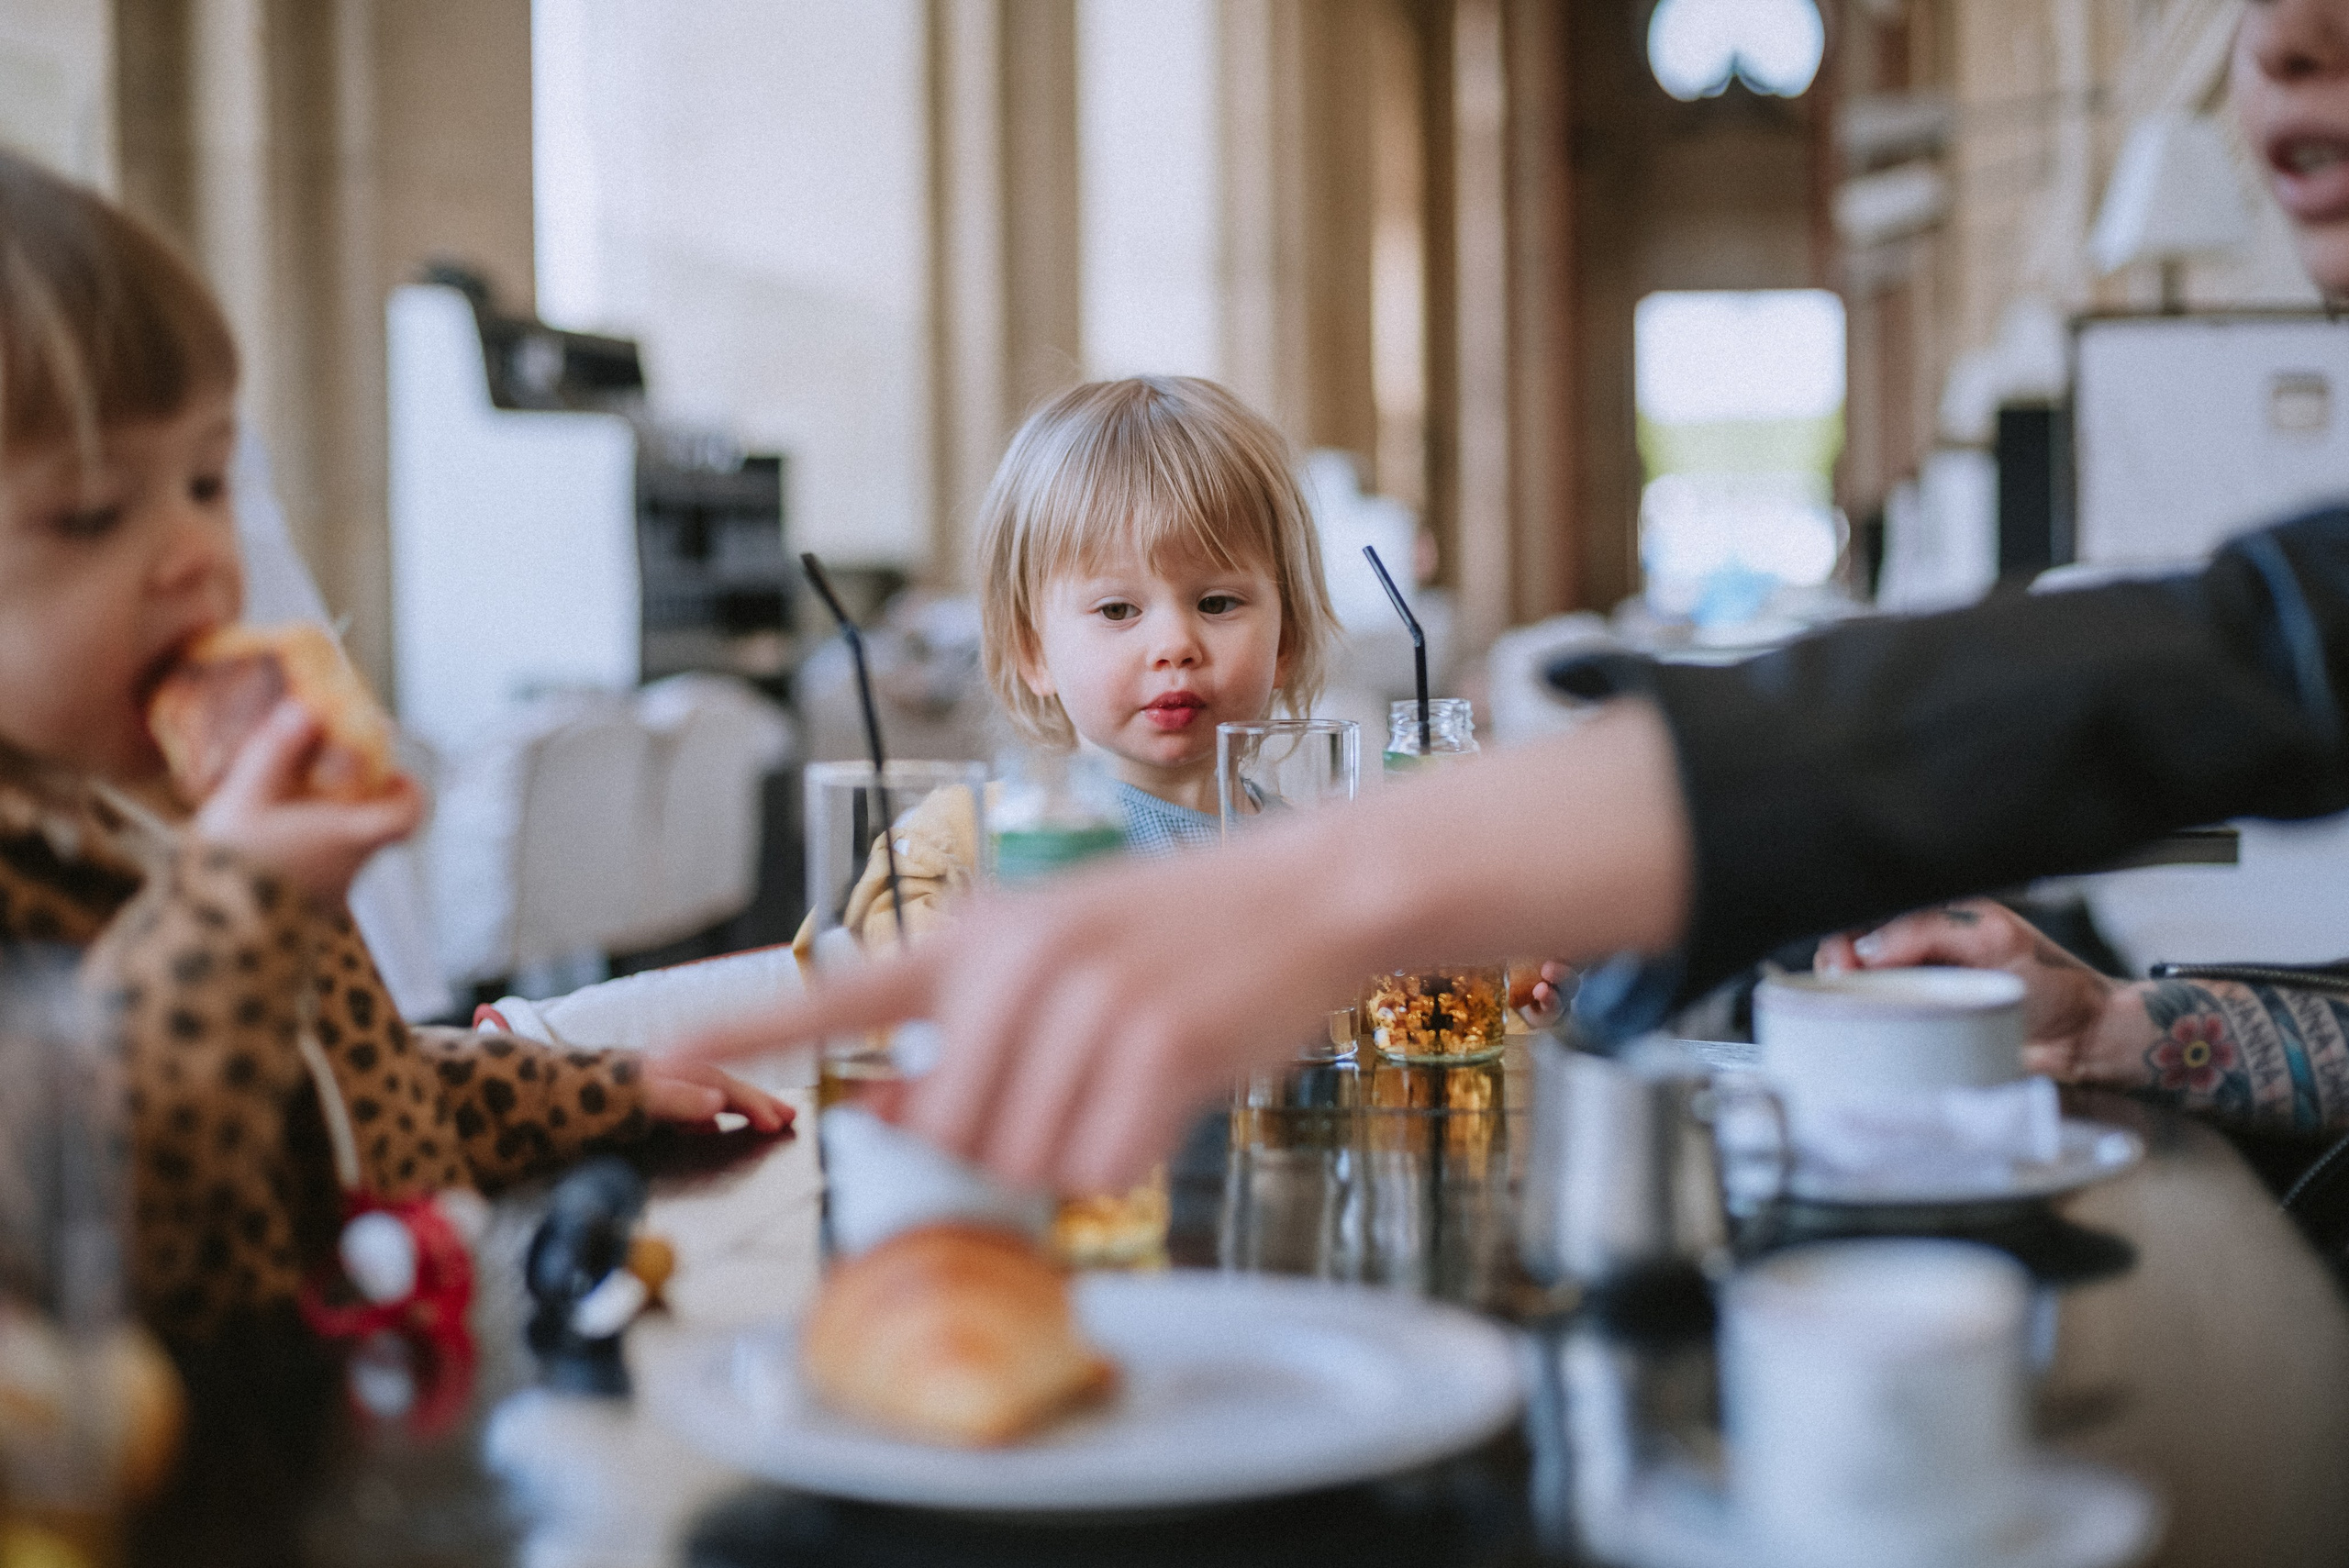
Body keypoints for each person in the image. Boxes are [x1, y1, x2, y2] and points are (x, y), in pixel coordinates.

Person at [685, 0, 2349, 1192]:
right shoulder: (969, 849)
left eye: (1213, 599)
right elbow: (809, 1020)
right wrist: (2132, 1022)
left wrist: (1460, 893)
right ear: (1028, 651)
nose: (1174, 644)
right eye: (2279, 55)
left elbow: (2243, 648)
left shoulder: (1300, 807)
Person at [0, 150, 786, 1339]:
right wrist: (242, 904)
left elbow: (352, 1093)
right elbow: (94, 1197)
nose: (196, 557)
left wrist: (585, 1090)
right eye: (99, 512)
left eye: (208, 481)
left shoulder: (175, 808)